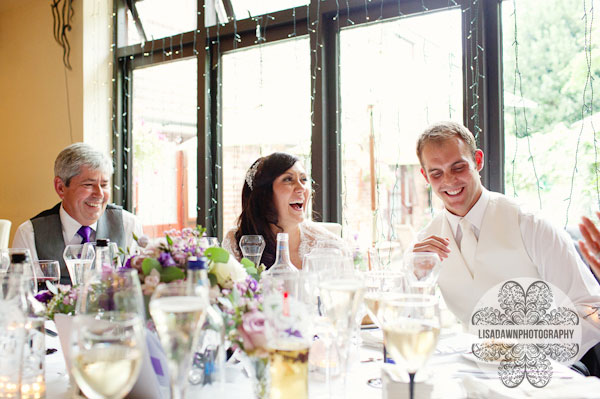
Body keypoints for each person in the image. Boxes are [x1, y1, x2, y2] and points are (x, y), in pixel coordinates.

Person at [412, 121, 600, 363]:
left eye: (458, 167)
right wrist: (416, 278)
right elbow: (409, 322)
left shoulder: (531, 225)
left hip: (552, 368)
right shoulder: (425, 243)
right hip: (474, 370)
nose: (449, 181)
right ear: (425, 176)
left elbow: (591, 310)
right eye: (436, 173)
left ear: (477, 161)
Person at [12, 143, 142, 283]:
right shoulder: (29, 233)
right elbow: (19, 295)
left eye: (104, 185)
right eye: (88, 185)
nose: (99, 194)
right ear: (60, 188)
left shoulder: (128, 225)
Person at [222, 152, 346, 269]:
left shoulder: (330, 247)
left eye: (303, 179)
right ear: (265, 194)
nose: (301, 188)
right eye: (288, 179)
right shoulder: (236, 242)